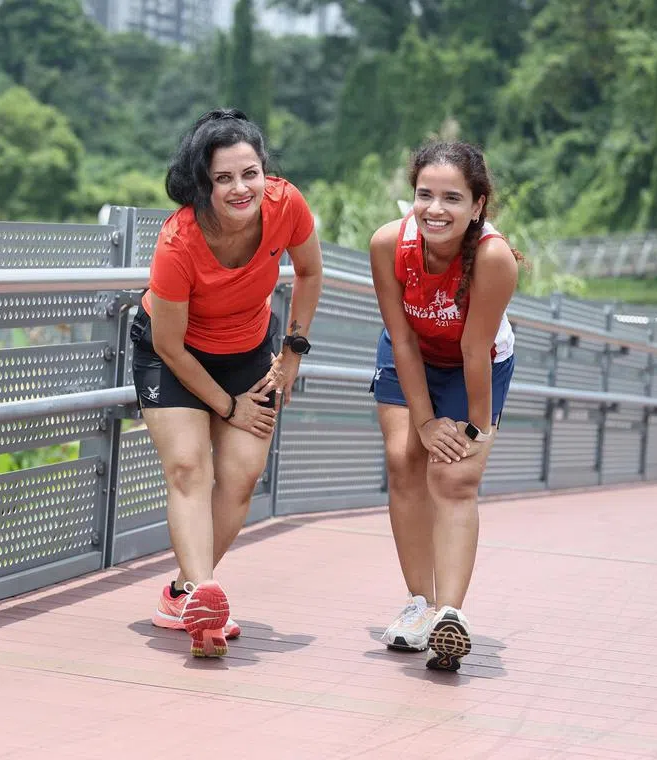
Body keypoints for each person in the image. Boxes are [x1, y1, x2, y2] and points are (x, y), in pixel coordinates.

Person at [131, 108, 324, 657]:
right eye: (224, 179)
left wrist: (292, 353)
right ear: (203, 183)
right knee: (190, 468)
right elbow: (170, 344)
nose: (241, 188)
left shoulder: (286, 204)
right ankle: (204, 606)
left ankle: (185, 592)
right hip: (173, 355)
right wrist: (226, 406)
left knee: (240, 476)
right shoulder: (179, 242)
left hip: (247, 351)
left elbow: (310, 273)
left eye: (250, 173)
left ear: (265, 172)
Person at [368, 141, 521, 671]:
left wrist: (474, 431)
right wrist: (426, 421)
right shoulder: (389, 243)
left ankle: (449, 615)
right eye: (424, 194)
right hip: (410, 350)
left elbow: (475, 349)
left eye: (452, 198)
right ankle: (419, 604)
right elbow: (402, 340)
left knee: (454, 479)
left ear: (478, 205)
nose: (436, 208)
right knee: (403, 460)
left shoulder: (494, 258)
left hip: (473, 363)